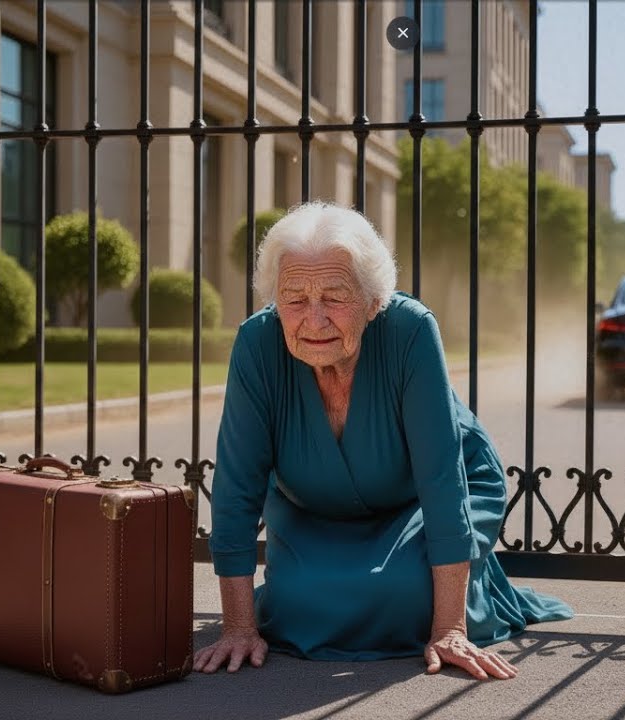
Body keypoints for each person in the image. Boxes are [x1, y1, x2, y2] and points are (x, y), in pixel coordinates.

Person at [194, 201, 572, 680]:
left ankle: (467, 594)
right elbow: (236, 485)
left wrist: (450, 627)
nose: (313, 319)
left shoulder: (411, 329)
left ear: (374, 301)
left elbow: (440, 479)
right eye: (293, 297)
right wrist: (237, 626)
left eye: (334, 296)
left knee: (408, 591)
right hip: (316, 508)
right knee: (295, 598)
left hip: (422, 495)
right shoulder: (256, 342)